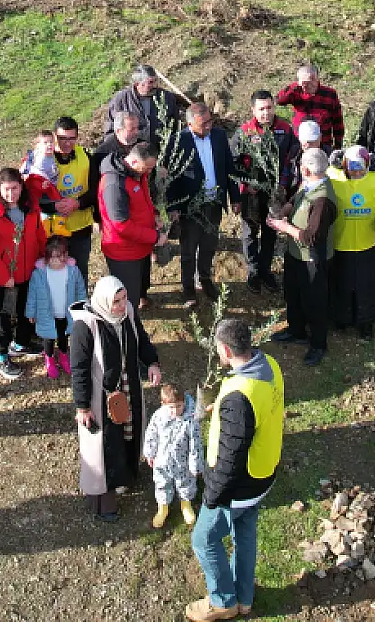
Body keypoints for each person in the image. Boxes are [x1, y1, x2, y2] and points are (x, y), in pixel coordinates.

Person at [189, 318, 284, 622]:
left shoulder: (239, 398)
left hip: (238, 486)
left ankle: (223, 602)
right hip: (263, 472)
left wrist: (212, 497)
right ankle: (244, 597)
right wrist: (222, 409)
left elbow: (230, 458)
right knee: (245, 534)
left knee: (203, 539)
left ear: (227, 350)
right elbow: (255, 414)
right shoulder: (269, 365)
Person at [70, 276, 163, 522]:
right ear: (103, 301)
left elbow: (141, 338)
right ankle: (103, 500)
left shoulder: (128, 314)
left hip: (128, 389)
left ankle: (126, 476)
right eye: (116, 302)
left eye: (124, 299)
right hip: (101, 397)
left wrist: (152, 362)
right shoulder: (85, 326)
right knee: (104, 445)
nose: (122, 305)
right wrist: (82, 406)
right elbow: (79, 368)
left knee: (128, 435)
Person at [0, 167, 51, 381]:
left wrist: (45, 257)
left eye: (15, 188)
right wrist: (2, 276)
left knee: (28, 309)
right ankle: (0, 357)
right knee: (2, 315)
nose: (11, 194)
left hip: (29, 270)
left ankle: (20, 344)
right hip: (1, 277)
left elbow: (38, 233)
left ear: (21, 186)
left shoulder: (30, 207)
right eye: (6, 190)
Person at [167, 101, 243, 309]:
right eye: (203, 124)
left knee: (209, 245)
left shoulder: (218, 136)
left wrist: (235, 197)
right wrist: (172, 208)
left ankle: (205, 279)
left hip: (214, 204)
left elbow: (229, 167)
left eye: (210, 121)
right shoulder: (177, 141)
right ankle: (188, 288)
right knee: (189, 250)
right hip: (190, 208)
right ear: (190, 124)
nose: (208, 126)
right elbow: (172, 178)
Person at [267, 149, 338, 365]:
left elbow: (311, 237)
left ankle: (318, 344)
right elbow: (295, 199)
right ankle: (296, 330)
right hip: (295, 254)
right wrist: (284, 212)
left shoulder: (323, 199)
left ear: (306, 169)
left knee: (314, 302)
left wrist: (284, 226)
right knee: (293, 294)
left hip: (312, 259)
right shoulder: (309, 184)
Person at [234, 90, 300, 294]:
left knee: (271, 231)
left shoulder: (285, 129)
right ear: (253, 110)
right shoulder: (244, 131)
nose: (266, 113)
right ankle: (253, 271)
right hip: (251, 194)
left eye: (269, 108)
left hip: (275, 193)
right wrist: (247, 182)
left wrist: (283, 186)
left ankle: (265, 270)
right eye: (261, 109)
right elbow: (233, 163)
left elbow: (292, 159)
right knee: (250, 233)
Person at [328, 145, 375, 338]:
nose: (356, 172)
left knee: (367, 286)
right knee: (342, 283)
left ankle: (366, 322)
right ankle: (341, 318)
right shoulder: (334, 176)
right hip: (341, 242)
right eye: (351, 168)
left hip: (368, 242)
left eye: (361, 168)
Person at [99, 141, 162, 307]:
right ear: (134, 161)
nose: (149, 172)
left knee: (140, 285)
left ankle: (141, 301)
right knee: (128, 299)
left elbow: (143, 199)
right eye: (147, 168)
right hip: (124, 252)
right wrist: (154, 237)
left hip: (140, 246)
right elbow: (122, 225)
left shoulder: (136, 173)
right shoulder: (114, 184)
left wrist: (154, 214)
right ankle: (129, 324)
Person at [26, 235, 88, 380]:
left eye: (59, 257)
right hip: (47, 314)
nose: (55, 261)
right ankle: (49, 358)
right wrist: (31, 312)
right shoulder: (39, 274)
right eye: (51, 258)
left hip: (65, 313)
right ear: (46, 257)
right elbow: (32, 295)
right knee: (48, 339)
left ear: (65, 255)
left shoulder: (73, 271)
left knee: (63, 336)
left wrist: (82, 308)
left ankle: (63, 355)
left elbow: (80, 290)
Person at [46, 116, 99, 279]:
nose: (67, 143)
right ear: (54, 137)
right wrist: (54, 206)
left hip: (80, 228)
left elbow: (96, 189)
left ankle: (80, 303)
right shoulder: (42, 160)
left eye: (72, 138)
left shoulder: (86, 157)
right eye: (62, 138)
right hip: (51, 230)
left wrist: (78, 203)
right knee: (53, 273)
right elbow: (31, 196)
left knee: (79, 272)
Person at [142, 382, 201, 529]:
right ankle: (163, 508)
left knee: (185, 484)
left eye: (179, 406)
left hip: (183, 463)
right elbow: (151, 434)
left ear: (184, 402)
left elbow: (196, 445)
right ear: (163, 404)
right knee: (162, 483)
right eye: (171, 407)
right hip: (162, 461)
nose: (175, 411)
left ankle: (185, 504)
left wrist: (195, 465)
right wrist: (150, 453)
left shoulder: (190, 421)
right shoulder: (159, 416)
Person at [107, 64, 187, 151]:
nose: (155, 85)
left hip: (161, 151)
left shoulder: (166, 97)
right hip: (132, 154)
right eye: (150, 82)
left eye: (156, 81)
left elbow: (176, 125)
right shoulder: (121, 99)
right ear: (138, 84)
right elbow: (110, 129)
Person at [276, 63, 344, 152]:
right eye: (305, 82)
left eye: (312, 80)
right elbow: (279, 100)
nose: (308, 85)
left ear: (317, 79)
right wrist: (295, 85)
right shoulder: (296, 93)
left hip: (323, 144)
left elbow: (337, 121)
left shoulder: (329, 94)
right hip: (300, 145)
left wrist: (338, 146)